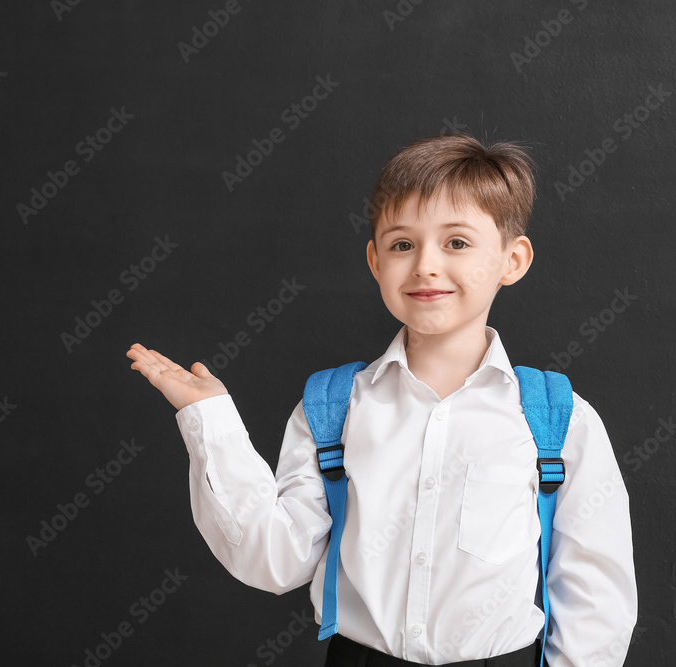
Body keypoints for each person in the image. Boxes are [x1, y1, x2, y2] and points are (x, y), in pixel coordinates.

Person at [126, 133, 636, 666]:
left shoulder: (559, 419)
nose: (425, 266)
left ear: (513, 259)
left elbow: (596, 597)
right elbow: (275, 560)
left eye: (456, 243)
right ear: (375, 261)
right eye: (402, 244)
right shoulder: (333, 409)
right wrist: (210, 419)